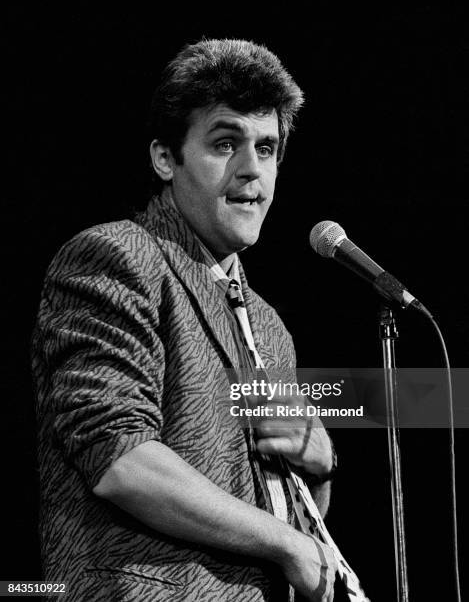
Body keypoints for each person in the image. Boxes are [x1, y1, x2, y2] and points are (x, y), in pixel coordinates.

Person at [32, 39, 337, 601]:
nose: (253, 170)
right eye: (226, 143)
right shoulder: (119, 256)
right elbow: (119, 458)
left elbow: (287, 509)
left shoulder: (270, 327)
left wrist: (318, 464)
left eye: (267, 149)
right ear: (165, 158)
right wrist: (284, 544)